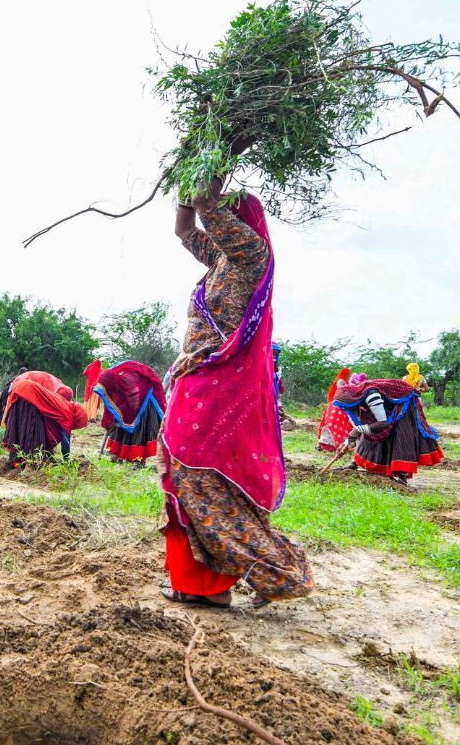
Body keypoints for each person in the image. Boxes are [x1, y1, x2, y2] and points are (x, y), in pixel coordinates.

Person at [160, 181, 313, 610]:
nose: (220, 214)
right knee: (184, 478)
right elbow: (184, 229)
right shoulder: (220, 260)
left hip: (219, 385)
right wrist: (185, 183)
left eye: (229, 209)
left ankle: (236, 579)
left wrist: (210, 170)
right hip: (197, 379)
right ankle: (196, 583)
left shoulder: (251, 254)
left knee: (200, 475)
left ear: (240, 215)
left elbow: (208, 212)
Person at [333, 378, 444, 483]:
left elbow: (382, 423)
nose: (346, 409)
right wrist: (346, 444)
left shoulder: (371, 395)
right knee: (369, 429)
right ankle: (356, 462)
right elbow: (358, 428)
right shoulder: (354, 403)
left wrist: (357, 430)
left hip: (404, 402)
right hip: (388, 406)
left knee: (400, 433)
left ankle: (402, 475)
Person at [1, 370, 89, 465]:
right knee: (32, 428)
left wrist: (51, 457)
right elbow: (65, 441)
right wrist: (66, 460)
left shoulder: (62, 403)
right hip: (27, 392)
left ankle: (16, 459)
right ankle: (28, 461)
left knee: (22, 424)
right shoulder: (67, 414)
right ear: (77, 418)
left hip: (20, 388)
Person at [94, 361, 165, 462]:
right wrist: (112, 420)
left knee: (135, 425)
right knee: (122, 420)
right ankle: (117, 454)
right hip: (131, 402)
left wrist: (119, 420)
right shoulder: (115, 385)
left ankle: (137, 459)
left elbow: (131, 410)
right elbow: (111, 406)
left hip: (144, 399)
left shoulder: (129, 384)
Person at [316, 368, 354, 452]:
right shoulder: (341, 381)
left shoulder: (340, 380)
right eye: (347, 373)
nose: (348, 375)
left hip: (334, 406)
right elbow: (342, 391)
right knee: (335, 426)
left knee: (331, 425)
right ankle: (328, 445)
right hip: (336, 407)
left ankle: (326, 445)